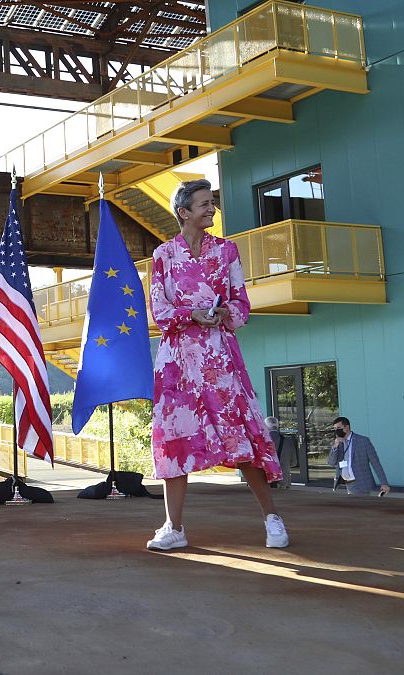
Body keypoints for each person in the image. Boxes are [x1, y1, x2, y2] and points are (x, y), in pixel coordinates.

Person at [145, 178, 289, 551]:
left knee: (238, 436)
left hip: (218, 360)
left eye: (212, 203)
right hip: (176, 364)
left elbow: (242, 306)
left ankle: (273, 519)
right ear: (184, 212)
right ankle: (173, 528)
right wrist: (193, 314)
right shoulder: (162, 256)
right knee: (175, 441)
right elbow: (159, 312)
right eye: (204, 204)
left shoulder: (227, 252)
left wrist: (224, 312)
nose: (211, 209)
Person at [327, 417, 390, 496]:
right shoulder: (337, 443)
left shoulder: (363, 441)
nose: (336, 431)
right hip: (342, 484)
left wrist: (384, 483)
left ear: (347, 427)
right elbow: (331, 463)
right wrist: (335, 446)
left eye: (339, 428)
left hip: (359, 483)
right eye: (335, 429)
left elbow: (375, 463)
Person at [265, 416, 296, 490]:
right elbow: (294, 462)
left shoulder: (262, 441)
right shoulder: (288, 441)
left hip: (266, 481)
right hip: (284, 482)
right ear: (277, 426)